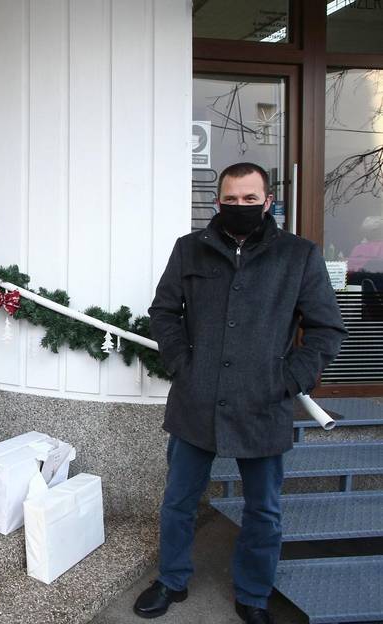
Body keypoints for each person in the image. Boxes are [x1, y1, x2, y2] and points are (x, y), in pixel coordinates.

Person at [136, 162, 346, 623]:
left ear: (268, 202)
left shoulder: (299, 255)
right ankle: (171, 580)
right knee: (178, 501)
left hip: (264, 403)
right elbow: (164, 311)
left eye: (250, 199)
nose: (240, 207)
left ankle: (253, 593)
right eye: (230, 199)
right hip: (196, 400)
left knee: (264, 511)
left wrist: (290, 379)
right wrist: (182, 364)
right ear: (218, 202)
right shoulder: (189, 249)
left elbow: (326, 328)